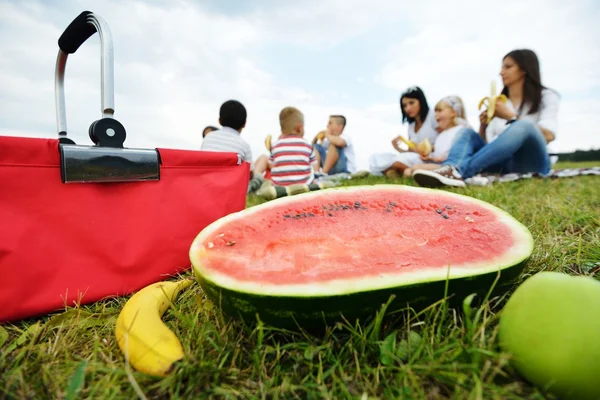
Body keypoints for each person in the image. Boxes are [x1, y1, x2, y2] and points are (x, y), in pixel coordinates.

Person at [413, 49, 559, 188]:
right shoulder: (499, 102)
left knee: (524, 126)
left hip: (532, 162)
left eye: (508, 67)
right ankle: (451, 168)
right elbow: (490, 147)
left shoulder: (546, 96)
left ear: (524, 69)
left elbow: (548, 135)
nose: (501, 72)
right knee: (467, 133)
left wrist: (511, 117)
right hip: (504, 163)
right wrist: (483, 126)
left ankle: (458, 171)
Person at [368, 86, 439, 178]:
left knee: (397, 162)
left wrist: (428, 148)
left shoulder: (433, 116)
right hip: (414, 157)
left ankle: (397, 171)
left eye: (411, 103)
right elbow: (411, 150)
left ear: (421, 101)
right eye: (404, 105)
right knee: (376, 157)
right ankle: (400, 171)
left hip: (431, 158)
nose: (408, 108)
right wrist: (398, 148)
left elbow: (445, 141)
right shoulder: (411, 125)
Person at [403, 96, 471, 177]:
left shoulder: (461, 131)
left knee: (415, 169)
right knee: (408, 171)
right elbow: (439, 156)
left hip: (451, 166)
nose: (436, 115)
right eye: (435, 112)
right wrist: (430, 158)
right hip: (440, 164)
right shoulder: (441, 135)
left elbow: (458, 156)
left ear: (453, 112)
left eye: (440, 111)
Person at [253, 107, 318, 187]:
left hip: (279, 186)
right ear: (299, 128)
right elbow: (314, 164)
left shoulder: (275, 145)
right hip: (304, 184)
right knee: (315, 180)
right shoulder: (307, 145)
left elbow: (271, 164)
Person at [201, 100, 252, 165]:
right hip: (233, 175)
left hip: (207, 175)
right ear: (244, 123)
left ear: (219, 120)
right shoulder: (244, 146)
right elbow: (249, 172)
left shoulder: (208, 137)